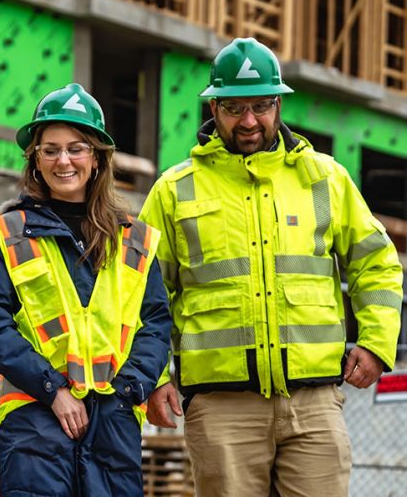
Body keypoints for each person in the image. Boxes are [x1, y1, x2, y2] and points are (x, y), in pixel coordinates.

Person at [140, 37, 403, 496]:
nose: (248, 121)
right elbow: (142, 292)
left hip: (314, 403)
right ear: (214, 107)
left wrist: (378, 342)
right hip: (222, 408)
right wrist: (155, 377)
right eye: (234, 108)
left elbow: (376, 263)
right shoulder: (174, 190)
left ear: (278, 104)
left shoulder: (325, 178)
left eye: (261, 106)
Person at [0, 83, 172, 496]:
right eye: (51, 149)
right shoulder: (7, 232)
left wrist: (128, 391)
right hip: (35, 416)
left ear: (96, 158)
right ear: (36, 160)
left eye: (76, 148)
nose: (64, 160)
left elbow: (155, 323)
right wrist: (52, 390)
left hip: (113, 418)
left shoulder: (134, 239)